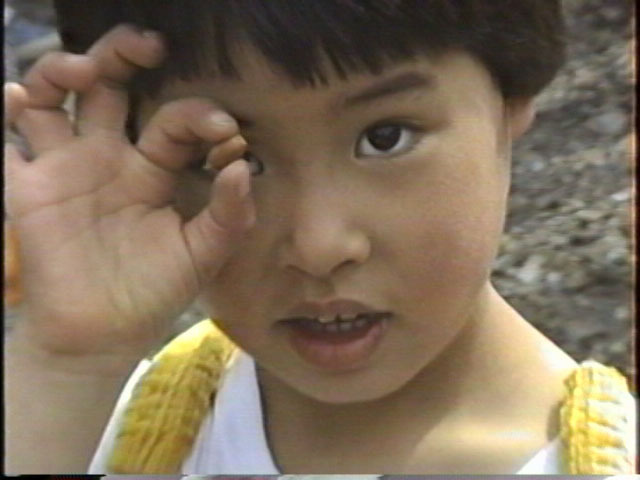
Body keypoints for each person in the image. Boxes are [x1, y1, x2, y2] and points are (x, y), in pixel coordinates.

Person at [4, 0, 636, 475]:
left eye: (385, 137)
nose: (318, 247)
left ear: (512, 97)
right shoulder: (86, 433)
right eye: (231, 157)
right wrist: (67, 359)